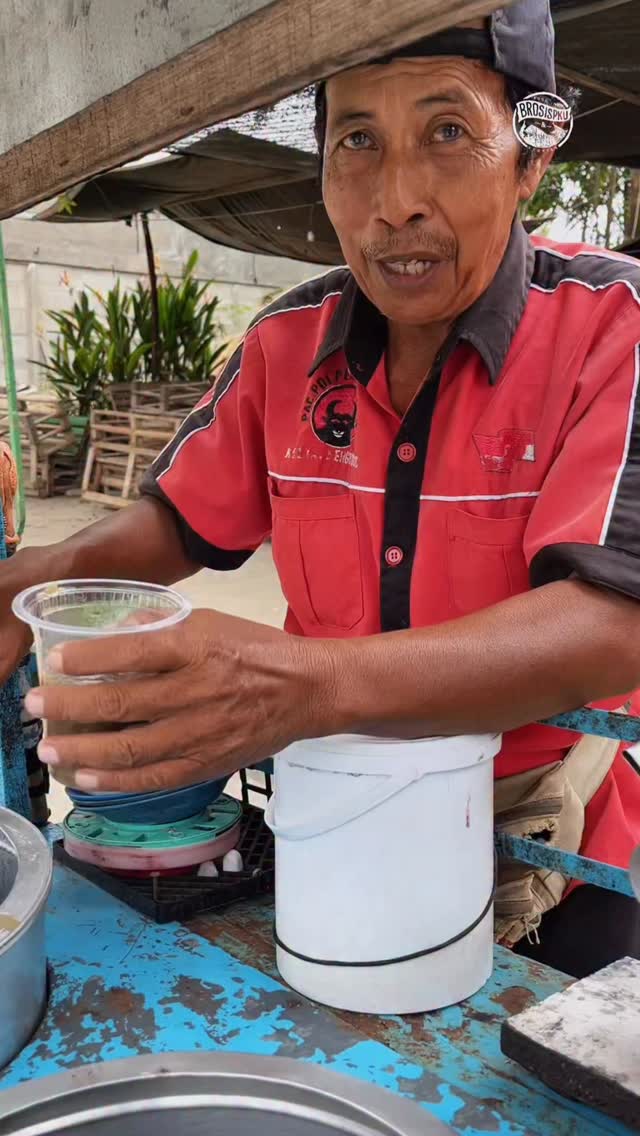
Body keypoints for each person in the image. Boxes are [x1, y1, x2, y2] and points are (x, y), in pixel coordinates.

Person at [2, 0, 640, 976]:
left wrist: (302, 682)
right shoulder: (285, 344)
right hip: (331, 814)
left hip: (548, 846)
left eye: (446, 133)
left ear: (530, 156)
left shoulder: (611, 325)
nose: (395, 200)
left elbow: (614, 619)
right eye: (356, 141)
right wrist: (37, 573)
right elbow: (173, 522)